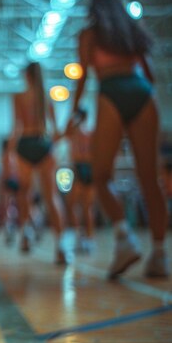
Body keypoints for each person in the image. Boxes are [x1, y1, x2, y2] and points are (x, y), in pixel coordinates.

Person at [71, 0, 169, 278]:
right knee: (150, 179)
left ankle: (124, 238)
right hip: (143, 94)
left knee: (100, 175)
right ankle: (160, 253)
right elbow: (149, 75)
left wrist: (74, 114)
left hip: (111, 92)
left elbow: (81, 78)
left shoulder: (88, 35)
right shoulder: (131, 31)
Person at [13, 62, 67, 264]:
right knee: (51, 196)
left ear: (27, 74)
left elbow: (16, 128)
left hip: (25, 143)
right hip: (44, 143)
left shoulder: (19, 96)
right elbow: (56, 131)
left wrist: (11, 152)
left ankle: (26, 234)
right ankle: (60, 245)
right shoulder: (47, 96)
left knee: (24, 193)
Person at [64, 107, 95, 253]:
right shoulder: (88, 132)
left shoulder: (79, 131)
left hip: (82, 166)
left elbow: (65, 131)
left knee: (75, 204)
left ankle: (82, 237)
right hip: (87, 166)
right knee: (84, 206)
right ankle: (87, 238)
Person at [0, 138, 20, 244]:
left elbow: (5, 173)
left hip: (9, 181)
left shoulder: (5, 156)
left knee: (7, 205)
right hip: (14, 180)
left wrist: (2, 185)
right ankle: (10, 227)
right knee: (14, 205)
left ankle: (8, 228)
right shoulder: (15, 155)